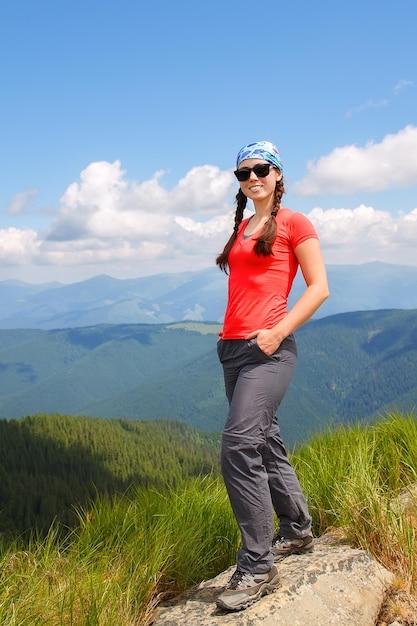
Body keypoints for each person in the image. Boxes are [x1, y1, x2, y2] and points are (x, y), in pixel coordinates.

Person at [215, 140, 329, 612]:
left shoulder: (295, 223)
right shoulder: (243, 227)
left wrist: (276, 332)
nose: (253, 177)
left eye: (262, 168)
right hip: (232, 349)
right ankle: (297, 529)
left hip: (269, 350)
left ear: (278, 173)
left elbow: (319, 287)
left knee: (238, 446)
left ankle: (258, 564)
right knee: (263, 441)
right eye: (244, 172)